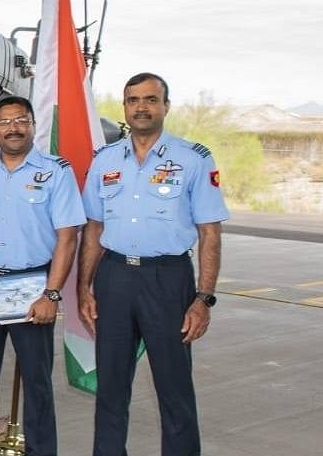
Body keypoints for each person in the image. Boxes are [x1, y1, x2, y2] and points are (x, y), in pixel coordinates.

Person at [78, 72, 228, 456]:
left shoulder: (193, 158)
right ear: (125, 108)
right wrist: (84, 287)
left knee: (174, 386)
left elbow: (210, 233)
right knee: (111, 386)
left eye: (150, 99)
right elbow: (94, 228)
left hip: (168, 280)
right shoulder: (105, 160)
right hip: (114, 278)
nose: (141, 107)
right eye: (133, 100)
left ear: (165, 106)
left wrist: (203, 299)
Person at [0, 96, 84, 456]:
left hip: (32, 286)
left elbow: (67, 237)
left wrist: (51, 294)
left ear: (32, 125)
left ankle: (42, 450)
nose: (13, 128)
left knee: (37, 379)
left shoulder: (56, 171)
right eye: (5, 122)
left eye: (21, 121)